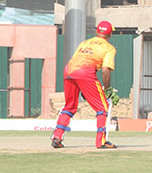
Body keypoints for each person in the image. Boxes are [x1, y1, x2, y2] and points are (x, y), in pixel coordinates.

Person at [51, 21, 119, 149]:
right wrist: (108, 89)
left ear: (97, 32)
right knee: (102, 107)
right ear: (110, 34)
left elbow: (76, 60)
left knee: (70, 106)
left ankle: (57, 137)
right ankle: (101, 141)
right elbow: (105, 70)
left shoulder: (84, 43)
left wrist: (84, 88)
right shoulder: (109, 48)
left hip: (69, 71)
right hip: (85, 72)